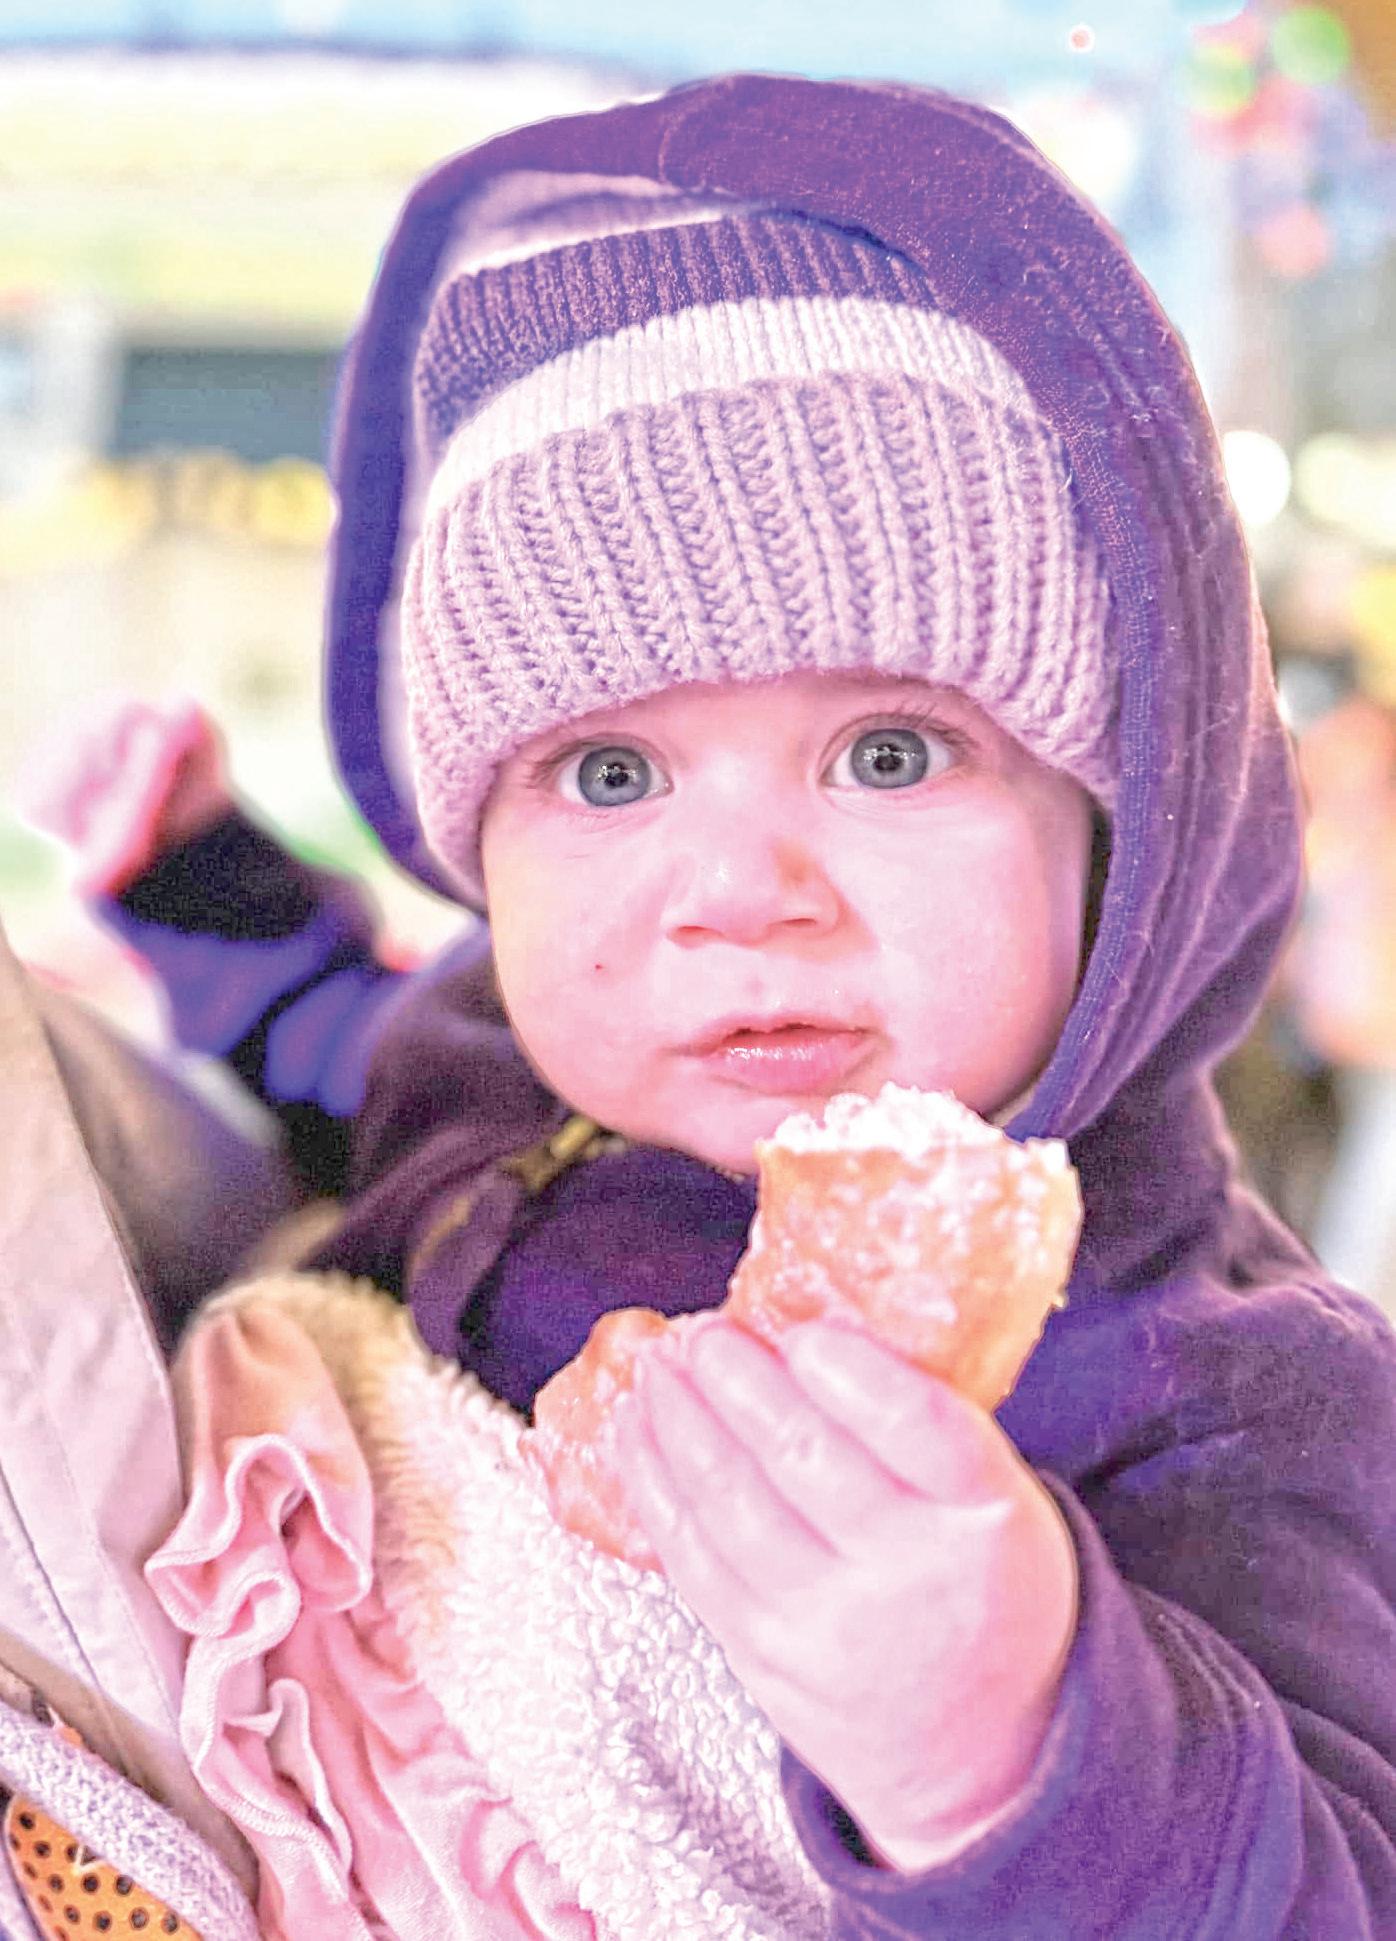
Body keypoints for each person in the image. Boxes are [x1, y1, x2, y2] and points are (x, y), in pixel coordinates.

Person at [16, 70, 1396, 1939]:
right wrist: (204, 884)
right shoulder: (495, 1063)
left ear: (1131, 822)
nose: (742, 891)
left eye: (890, 751)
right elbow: (340, 1054)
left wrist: (1013, 1745)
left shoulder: (1220, 1382)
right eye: (608, 776)